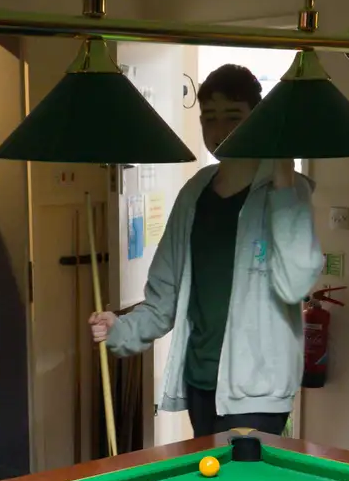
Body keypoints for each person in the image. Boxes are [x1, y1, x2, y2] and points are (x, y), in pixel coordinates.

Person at [87, 64, 322, 439]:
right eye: (209, 118)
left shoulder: (289, 193)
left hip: (258, 393)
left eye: (234, 117)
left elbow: (295, 284)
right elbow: (162, 299)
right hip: (200, 382)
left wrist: (282, 177)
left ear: (257, 119)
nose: (219, 130)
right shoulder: (194, 193)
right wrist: (121, 328)